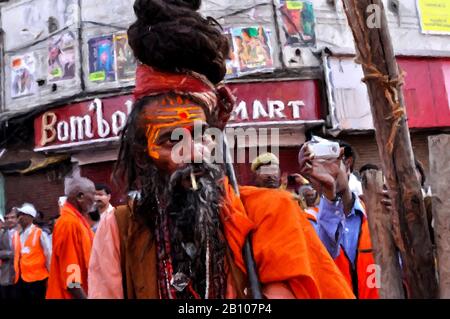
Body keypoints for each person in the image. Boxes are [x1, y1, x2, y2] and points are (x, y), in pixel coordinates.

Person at [88, 0, 354, 300]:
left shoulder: (269, 214)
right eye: (171, 141)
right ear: (141, 153)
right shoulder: (119, 230)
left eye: (200, 135)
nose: (194, 153)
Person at [298, 141, 379, 299]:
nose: (326, 173)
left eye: (331, 163)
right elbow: (326, 253)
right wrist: (329, 194)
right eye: (317, 168)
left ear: (347, 166)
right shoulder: (307, 222)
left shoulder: (376, 214)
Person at [46, 176, 95, 299]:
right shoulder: (68, 223)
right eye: (92, 194)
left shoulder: (78, 220)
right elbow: (71, 274)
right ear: (80, 197)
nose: (95, 199)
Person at [13, 203, 52, 300]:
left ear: (30, 217)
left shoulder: (39, 233)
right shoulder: (19, 234)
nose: (19, 217)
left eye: (22, 214)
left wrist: (51, 275)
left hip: (38, 279)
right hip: (22, 279)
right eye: (19, 215)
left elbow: (49, 254)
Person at [0, 208, 19, 299]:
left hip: (23, 274)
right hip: (6, 273)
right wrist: (10, 253)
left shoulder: (24, 232)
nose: (9, 220)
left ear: (18, 218)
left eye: (12, 217)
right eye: (7, 218)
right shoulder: (2, 234)